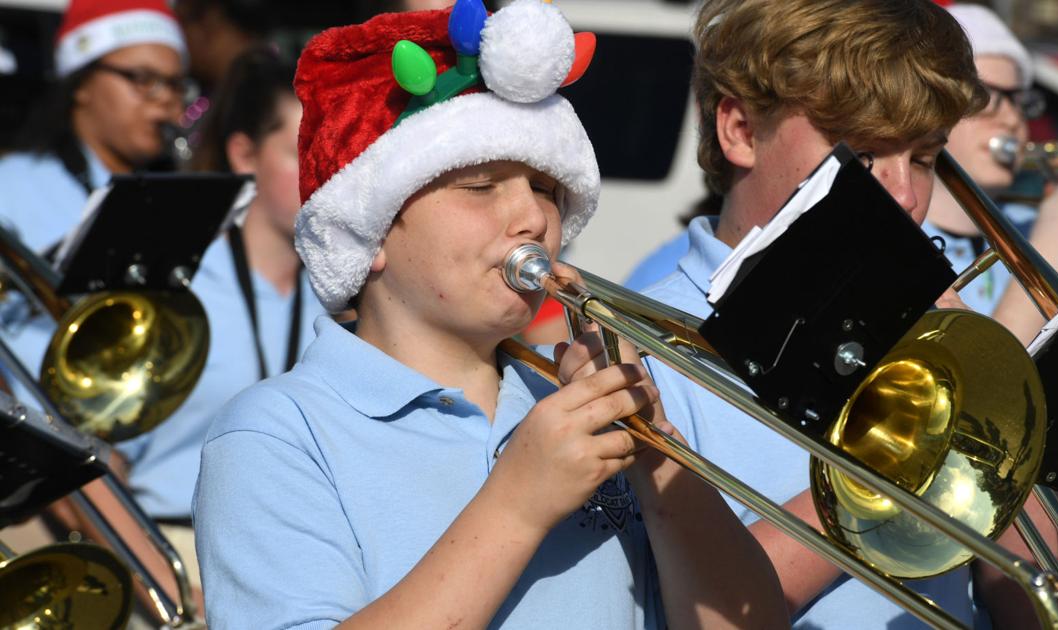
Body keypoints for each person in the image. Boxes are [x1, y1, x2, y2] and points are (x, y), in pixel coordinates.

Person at [193, 3, 787, 628]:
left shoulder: (564, 399)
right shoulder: (277, 434)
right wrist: (518, 504)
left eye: (545, 189)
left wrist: (657, 451)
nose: (532, 218)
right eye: (481, 186)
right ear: (370, 234)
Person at [639, 0, 989, 627]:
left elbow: (1047, 600)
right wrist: (895, 457)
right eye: (865, 155)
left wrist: (987, 394)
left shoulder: (922, 331)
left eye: (924, 159)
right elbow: (713, 612)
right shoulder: (644, 349)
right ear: (741, 131)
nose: (907, 197)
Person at [109, 46, 325, 597]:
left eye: (330, 149)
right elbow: (95, 457)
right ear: (243, 155)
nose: (322, 170)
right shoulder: (172, 283)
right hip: (172, 554)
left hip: (296, 563)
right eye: (300, 150)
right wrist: (163, 583)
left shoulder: (341, 292)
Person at [924, 3, 1058, 345]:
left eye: (1020, 101)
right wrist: (1053, 250)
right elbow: (977, 374)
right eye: (985, 97)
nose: (1013, 119)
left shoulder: (1031, 223)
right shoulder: (901, 235)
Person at [0, 0, 190, 254]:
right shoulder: (11, 190)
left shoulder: (184, 199)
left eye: (175, 84)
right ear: (81, 84)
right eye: (142, 78)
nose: (165, 97)